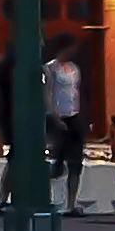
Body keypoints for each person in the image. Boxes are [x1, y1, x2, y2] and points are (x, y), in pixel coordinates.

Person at [42, 46, 86, 190]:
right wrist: (55, 118)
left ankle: (71, 204)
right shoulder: (50, 68)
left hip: (74, 116)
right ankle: (44, 192)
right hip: (57, 117)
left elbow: (76, 92)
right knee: (57, 163)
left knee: (75, 163)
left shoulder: (74, 69)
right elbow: (47, 94)